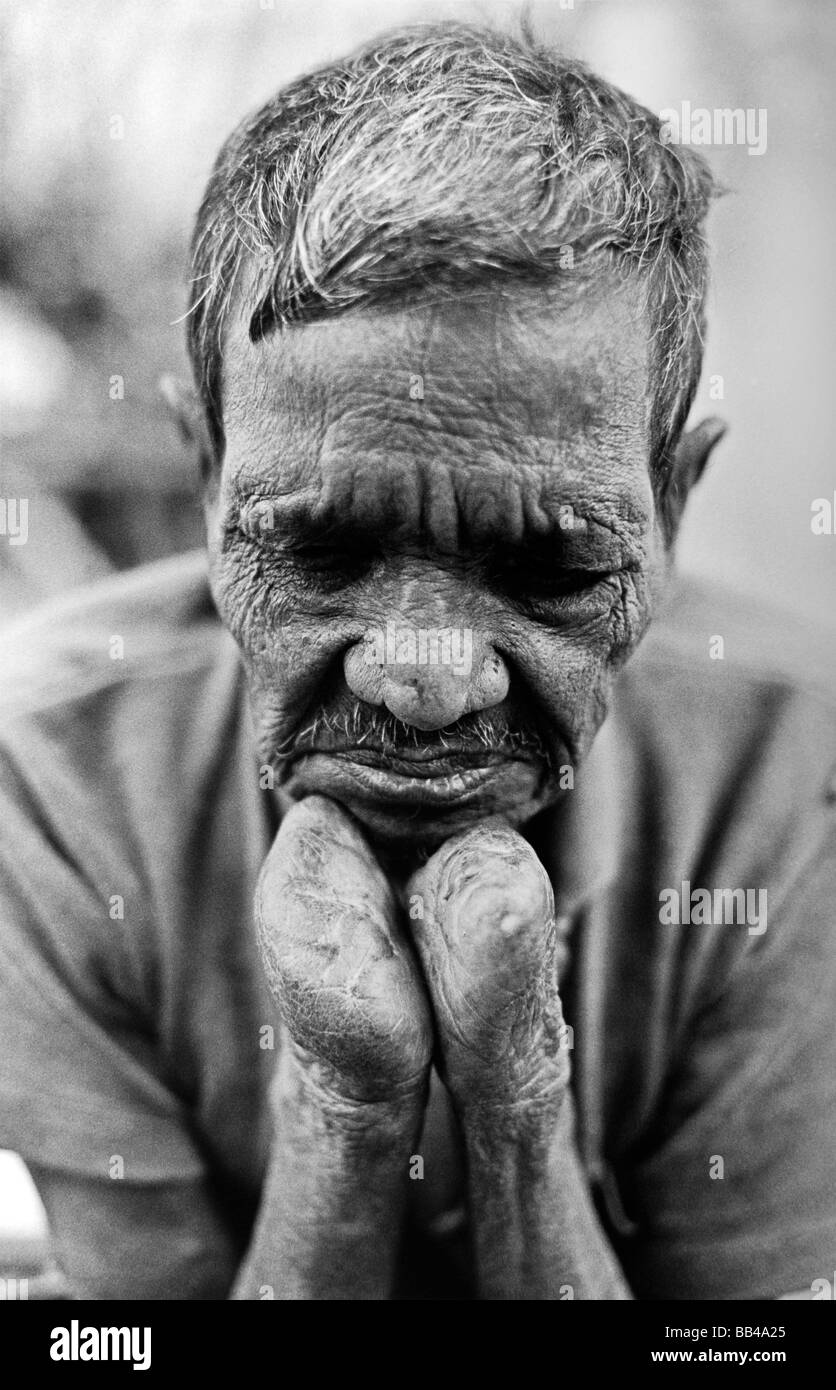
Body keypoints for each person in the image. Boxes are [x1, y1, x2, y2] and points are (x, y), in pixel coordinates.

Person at [1, 23, 833, 1300]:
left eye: (549, 569)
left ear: (671, 504)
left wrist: (516, 1098)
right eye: (324, 552)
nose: (427, 679)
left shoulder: (798, 782)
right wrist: (345, 1098)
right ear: (207, 480)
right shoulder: (40, 782)